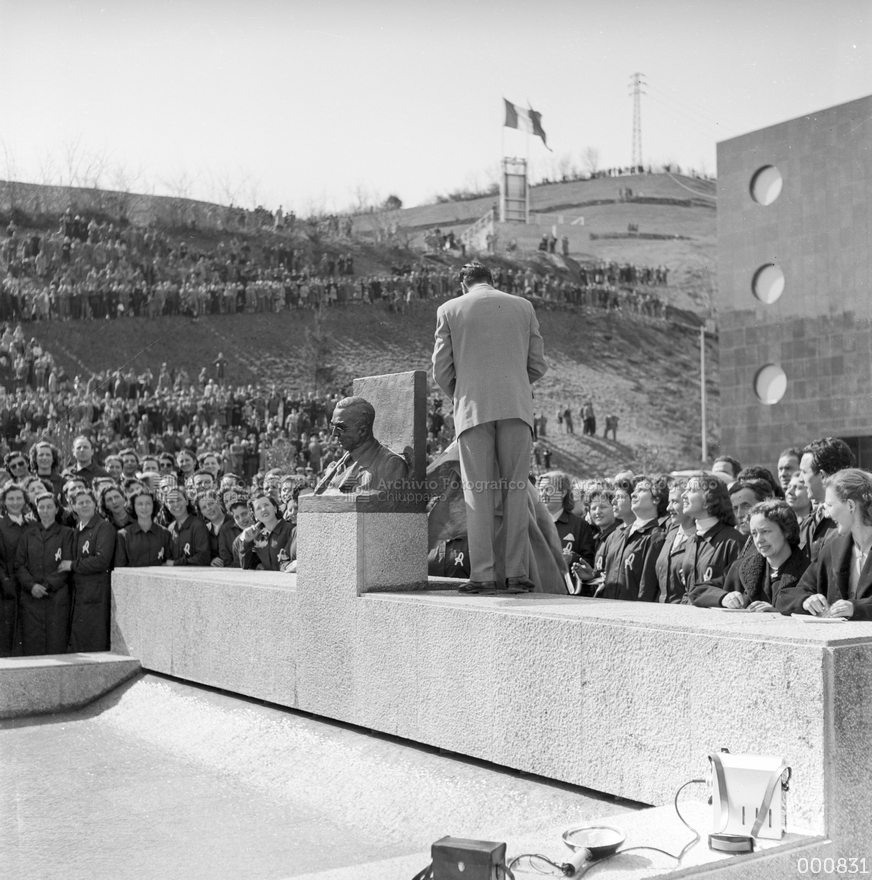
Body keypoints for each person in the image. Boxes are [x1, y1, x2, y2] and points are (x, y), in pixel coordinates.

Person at [431, 261, 547, 594]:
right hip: (516, 408)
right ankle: (515, 573)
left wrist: (464, 393)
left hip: (472, 410)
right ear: (493, 281)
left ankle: (481, 574)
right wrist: (514, 385)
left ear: (462, 285)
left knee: (477, 492)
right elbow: (537, 364)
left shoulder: (449, 309)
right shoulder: (523, 306)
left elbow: (441, 370)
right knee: (515, 489)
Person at [688, 499, 809, 612]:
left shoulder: (809, 571)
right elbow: (697, 591)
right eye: (754, 533)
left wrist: (779, 612)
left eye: (765, 531)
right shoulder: (742, 567)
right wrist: (724, 597)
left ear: (787, 532)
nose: (758, 540)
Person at [795, 469, 872, 620]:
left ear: (850, 505)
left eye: (830, 505)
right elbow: (792, 593)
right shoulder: (832, 548)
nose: (826, 514)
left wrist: (857, 608)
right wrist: (806, 601)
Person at [15, 492, 74, 655]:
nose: (45, 511)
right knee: (33, 645)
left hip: (56, 596)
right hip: (31, 597)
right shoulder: (28, 535)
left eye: (49, 507)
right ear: (37, 510)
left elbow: (66, 566)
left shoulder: (67, 533)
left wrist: (46, 586)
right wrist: (32, 586)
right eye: (42, 507)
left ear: (56, 509)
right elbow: (19, 565)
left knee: (56, 644)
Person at [313, 397, 409, 497]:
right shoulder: (339, 465)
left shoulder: (391, 465)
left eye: (340, 427)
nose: (334, 434)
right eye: (333, 426)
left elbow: (382, 507)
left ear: (362, 431)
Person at [60, 489, 115, 652]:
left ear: (95, 504)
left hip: (96, 592)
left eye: (88, 502)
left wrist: (72, 565)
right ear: (73, 507)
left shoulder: (103, 527)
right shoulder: (78, 528)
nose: (84, 505)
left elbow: (102, 560)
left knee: (93, 639)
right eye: (80, 503)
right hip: (81, 593)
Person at [679, 473, 744, 600]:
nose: (683, 495)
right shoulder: (691, 540)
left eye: (691, 490)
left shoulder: (733, 542)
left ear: (708, 500)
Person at [0, 483, 30, 656]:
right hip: (6, 588)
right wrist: (4, 581)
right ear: (4, 501)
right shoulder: (1, 525)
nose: (15, 502)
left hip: (28, 585)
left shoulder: (32, 524)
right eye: (10, 498)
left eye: (19, 498)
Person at [655, 478, 696, 604]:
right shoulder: (670, 535)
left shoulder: (701, 540)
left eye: (674, 502)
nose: (668, 508)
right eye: (669, 502)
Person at [114, 487, 173, 567]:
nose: (144, 507)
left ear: (154, 505)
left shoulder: (165, 533)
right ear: (133, 507)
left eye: (148, 503)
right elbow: (119, 567)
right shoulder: (123, 535)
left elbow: (169, 562)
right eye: (140, 504)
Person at [239, 493, 296, 571]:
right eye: (258, 508)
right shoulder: (256, 536)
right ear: (255, 515)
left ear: (275, 508)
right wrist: (247, 542)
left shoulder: (292, 530)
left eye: (266, 505)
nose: (263, 509)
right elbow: (246, 565)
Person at [163, 487, 210, 566]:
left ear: (187, 502)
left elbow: (203, 558)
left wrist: (176, 563)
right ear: (167, 505)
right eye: (171, 501)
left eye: (179, 500)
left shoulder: (198, 526)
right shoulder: (170, 528)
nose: (175, 504)